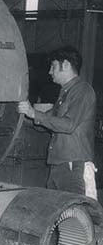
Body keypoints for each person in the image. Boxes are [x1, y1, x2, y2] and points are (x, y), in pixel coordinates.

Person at [18, 46, 97, 198]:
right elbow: (45, 121)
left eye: (53, 66)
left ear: (66, 65)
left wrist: (33, 112)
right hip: (60, 166)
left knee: (74, 215)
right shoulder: (65, 93)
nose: (50, 72)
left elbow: (68, 125)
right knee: (59, 215)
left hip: (73, 166)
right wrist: (24, 116)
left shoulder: (82, 91)